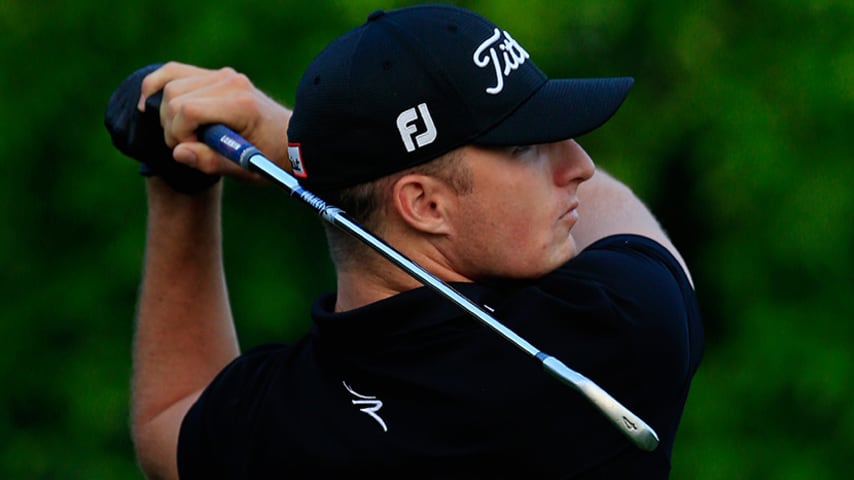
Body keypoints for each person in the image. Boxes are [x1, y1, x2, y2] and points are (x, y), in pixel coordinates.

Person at [107, 4, 703, 479]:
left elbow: (168, 423)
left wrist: (179, 182)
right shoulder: (615, 333)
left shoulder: (282, 425)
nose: (578, 164)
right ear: (424, 205)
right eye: (527, 147)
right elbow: (627, 223)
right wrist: (277, 130)